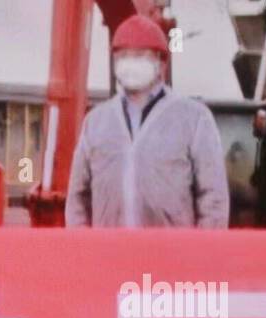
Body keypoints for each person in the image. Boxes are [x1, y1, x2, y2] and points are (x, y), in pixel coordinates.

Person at [66, 14, 229, 228]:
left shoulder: (194, 118)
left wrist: (199, 256)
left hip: (173, 257)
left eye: (140, 55)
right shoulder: (96, 122)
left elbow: (213, 200)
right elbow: (77, 199)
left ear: (161, 63)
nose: (130, 63)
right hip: (108, 256)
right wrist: (85, 250)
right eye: (123, 55)